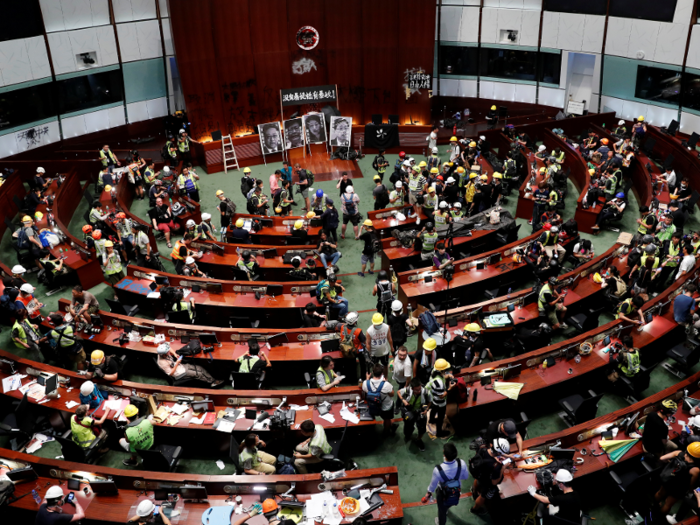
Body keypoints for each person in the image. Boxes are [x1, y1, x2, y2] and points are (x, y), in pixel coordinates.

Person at [423, 443, 470, 525]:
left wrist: (428, 493)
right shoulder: (461, 463)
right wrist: (455, 479)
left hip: (443, 493)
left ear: (444, 454)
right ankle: (446, 508)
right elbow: (465, 476)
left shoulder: (438, 470)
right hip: (456, 490)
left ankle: (441, 522)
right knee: (450, 502)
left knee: (441, 511)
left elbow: (433, 485)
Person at [655, 443, 700, 517]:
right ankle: (658, 517)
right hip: (679, 488)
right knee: (668, 504)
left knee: (660, 493)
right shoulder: (695, 469)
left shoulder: (678, 453)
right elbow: (692, 484)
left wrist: (672, 465)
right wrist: (690, 491)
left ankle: (654, 506)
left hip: (668, 480)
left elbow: (662, 458)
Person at [156, 343, 223, 386]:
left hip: (181, 366)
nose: (168, 352)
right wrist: (177, 363)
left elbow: (169, 347)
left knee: (200, 368)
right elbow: (170, 373)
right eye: (167, 352)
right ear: (164, 354)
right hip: (179, 373)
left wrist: (175, 354)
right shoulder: (162, 362)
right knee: (198, 374)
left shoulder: (161, 352)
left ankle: (212, 379)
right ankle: (211, 383)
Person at [362, 363, 397, 436]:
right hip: (385, 406)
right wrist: (385, 382)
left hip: (373, 405)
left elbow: (365, 390)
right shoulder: (386, 385)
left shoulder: (366, 383)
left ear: (373, 372)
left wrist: (367, 379)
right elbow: (392, 394)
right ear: (382, 373)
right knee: (387, 419)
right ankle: (386, 432)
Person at [427, 359, 454, 438]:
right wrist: (450, 388)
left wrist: (448, 375)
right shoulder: (439, 383)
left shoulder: (434, 372)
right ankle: (439, 432)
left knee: (434, 408)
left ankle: (431, 420)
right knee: (441, 417)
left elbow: (441, 377)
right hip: (440, 401)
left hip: (433, 397)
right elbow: (441, 396)